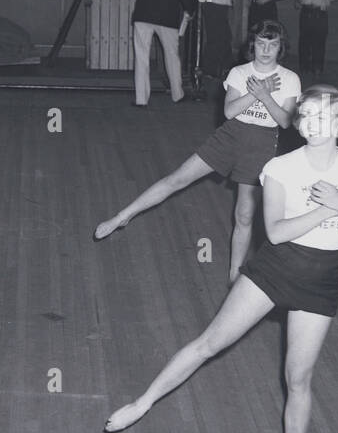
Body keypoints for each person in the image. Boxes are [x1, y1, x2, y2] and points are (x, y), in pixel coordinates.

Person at [104, 85, 338, 433]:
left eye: (323, 117)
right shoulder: (282, 167)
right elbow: (276, 231)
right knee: (209, 343)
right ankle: (141, 403)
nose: (312, 124)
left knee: (299, 378)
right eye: (306, 116)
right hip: (274, 270)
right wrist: (329, 208)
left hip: (322, 281)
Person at [96, 20, 300, 284]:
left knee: (244, 215)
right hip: (230, 137)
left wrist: (266, 95)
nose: (266, 50)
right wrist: (257, 94)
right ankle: (122, 217)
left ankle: (234, 276)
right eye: (261, 43)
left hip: (261, 145)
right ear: (253, 45)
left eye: (272, 45)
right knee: (177, 178)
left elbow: (284, 121)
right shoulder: (239, 72)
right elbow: (229, 112)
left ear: (280, 48)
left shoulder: (289, 78)